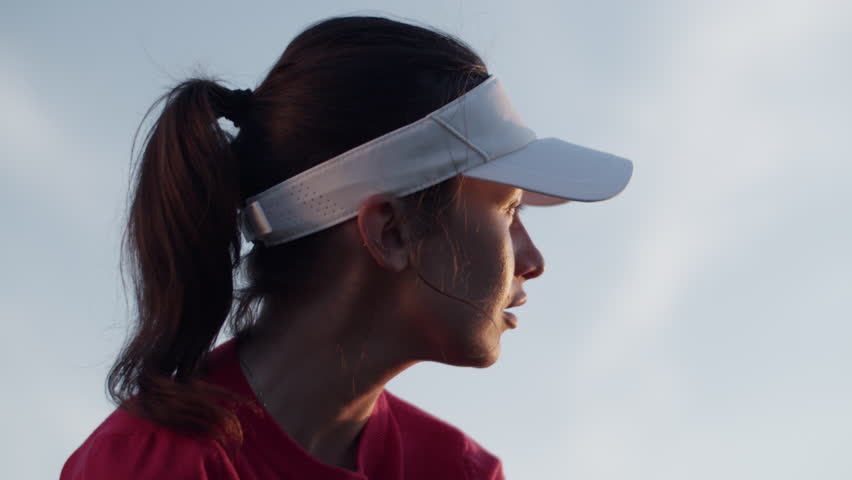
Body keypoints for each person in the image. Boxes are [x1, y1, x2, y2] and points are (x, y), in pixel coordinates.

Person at [60, 15, 632, 480]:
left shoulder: (461, 471)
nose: (533, 261)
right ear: (391, 232)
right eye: (508, 211)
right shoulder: (151, 467)